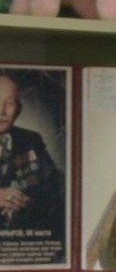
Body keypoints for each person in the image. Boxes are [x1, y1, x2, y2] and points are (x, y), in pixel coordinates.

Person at [0, 72, 65, 242]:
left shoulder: (31, 139)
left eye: (9, 103)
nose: (1, 111)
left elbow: (55, 188)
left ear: (18, 108)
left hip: (22, 242)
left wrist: (26, 202)